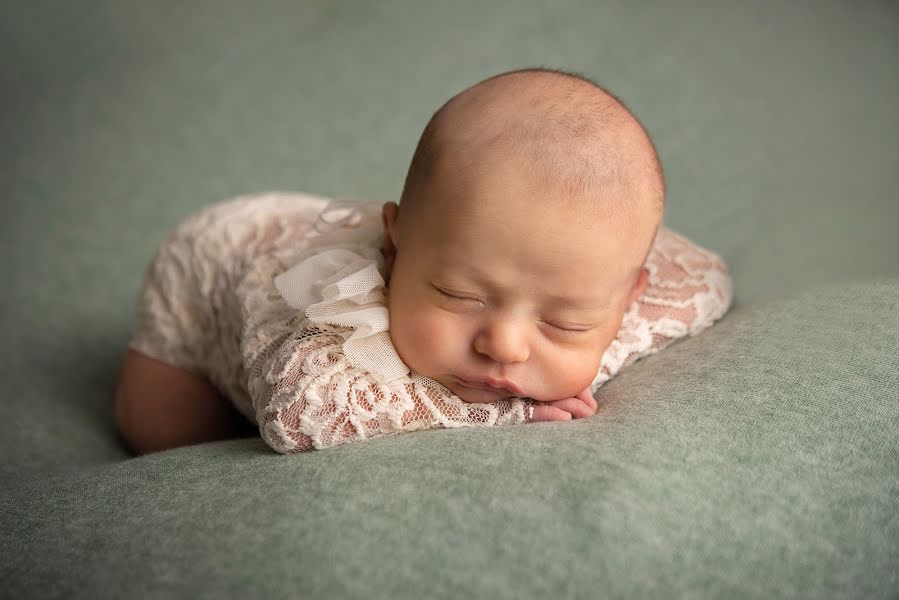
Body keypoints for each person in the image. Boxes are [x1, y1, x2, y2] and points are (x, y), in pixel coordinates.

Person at [114, 68, 733, 454]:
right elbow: (296, 415)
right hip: (213, 260)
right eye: (463, 295)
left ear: (628, 299)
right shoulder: (324, 313)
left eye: (564, 322)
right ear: (395, 245)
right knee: (162, 432)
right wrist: (512, 414)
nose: (506, 345)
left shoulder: (627, 293)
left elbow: (711, 279)